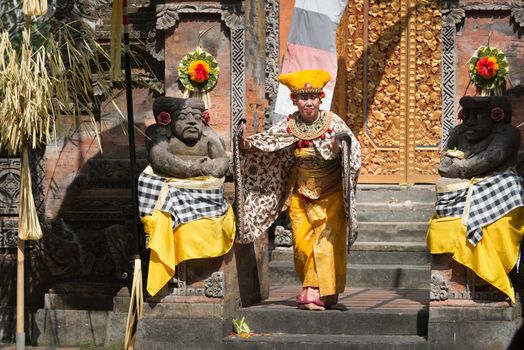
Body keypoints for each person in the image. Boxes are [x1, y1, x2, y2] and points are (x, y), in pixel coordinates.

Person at [238, 69, 361, 310]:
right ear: (295, 100)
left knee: (325, 246)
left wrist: (340, 148)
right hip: (300, 194)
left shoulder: (333, 122)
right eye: (303, 98)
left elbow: (352, 149)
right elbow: (268, 142)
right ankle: (319, 291)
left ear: (320, 99)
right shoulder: (289, 124)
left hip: (331, 194)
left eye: (312, 97)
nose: (308, 102)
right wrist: (247, 144)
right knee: (302, 246)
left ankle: (313, 294)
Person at [427, 96, 524, 303]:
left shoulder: (508, 134)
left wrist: (460, 167)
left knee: (499, 224)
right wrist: (460, 169)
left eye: (478, 116)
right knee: (444, 221)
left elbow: (489, 159)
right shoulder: (459, 132)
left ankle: (490, 278)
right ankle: (450, 281)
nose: (469, 122)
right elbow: (444, 164)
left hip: (500, 189)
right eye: (467, 115)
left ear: (496, 118)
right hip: (460, 193)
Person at [138, 97, 235, 297]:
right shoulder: (158, 133)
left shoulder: (208, 134)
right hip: (171, 186)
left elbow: (222, 162)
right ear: (168, 120)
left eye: (197, 117)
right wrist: (195, 168)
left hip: (205, 190)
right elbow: (160, 158)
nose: (192, 122)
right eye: (183, 117)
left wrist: (211, 168)